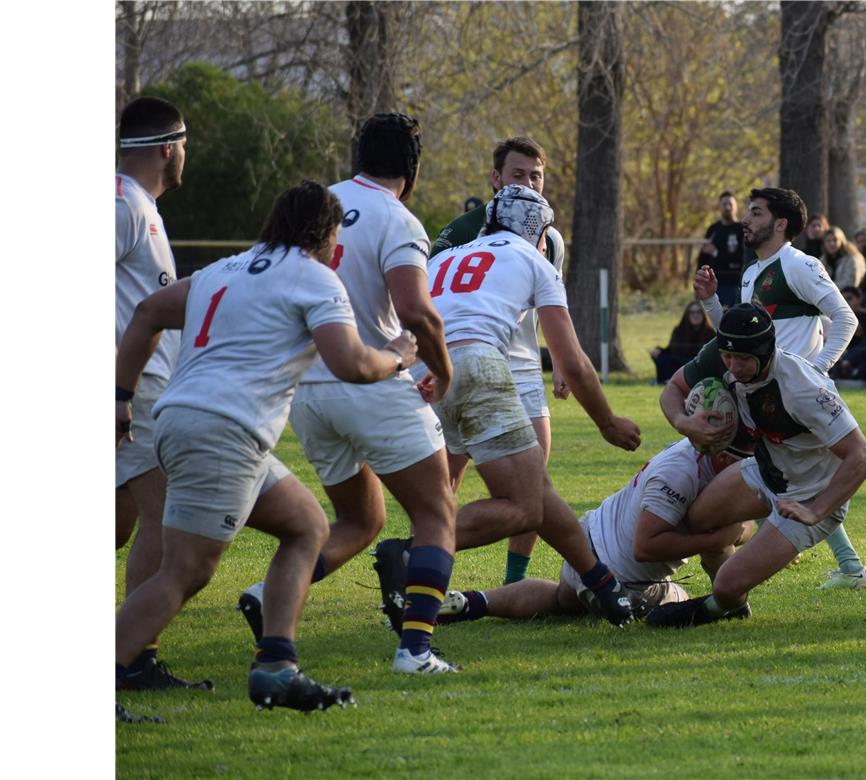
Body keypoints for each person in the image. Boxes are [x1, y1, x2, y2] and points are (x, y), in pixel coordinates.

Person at [116, 181, 403, 713]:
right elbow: (352, 364)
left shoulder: (224, 269)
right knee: (185, 570)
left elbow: (148, 312)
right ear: (328, 234)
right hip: (223, 429)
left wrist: (120, 395)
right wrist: (400, 354)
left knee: (307, 527)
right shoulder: (314, 277)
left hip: (187, 419)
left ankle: (277, 666)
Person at [234, 114, 459, 674]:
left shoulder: (320, 205)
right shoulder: (397, 218)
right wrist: (442, 369)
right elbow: (415, 311)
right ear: (412, 169)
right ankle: (415, 650)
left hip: (307, 392)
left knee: (361, 519)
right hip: (369, 378)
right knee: (436, 511)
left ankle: (268, 595)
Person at [388, 184, 643, 627]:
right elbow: (572, 361)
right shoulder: (532, 258)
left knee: (535, 488)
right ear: (537, 232)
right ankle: (410, 552)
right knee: (525, 507)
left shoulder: (444, 259)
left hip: (424, 375)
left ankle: (603, 585)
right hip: (476, 364)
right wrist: (607, 422)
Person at [647, 304, 866, 626]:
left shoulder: (804, 388)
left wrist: (816, 511)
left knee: (726, 586)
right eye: (728, 357)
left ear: (766, 352)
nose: (733, 366)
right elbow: (673, 389)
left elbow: (863, 457)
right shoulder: (722, 353)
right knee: (698, 521)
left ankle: (717, 604)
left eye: (742, 359)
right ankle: (735, 601)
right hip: (766, 472)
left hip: (809, 495)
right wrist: (683, 422)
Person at [695, 187, 866, 589]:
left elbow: (846, 318)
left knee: (788, 479)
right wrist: (710, 303)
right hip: (759, 397)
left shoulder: (799, 265)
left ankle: (840, 563)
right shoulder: (751, 272)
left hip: (795, 402)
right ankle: (844, 565)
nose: (746, 219)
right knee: (781, 478)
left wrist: (814, 371)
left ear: (780, 224)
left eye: (755, 213)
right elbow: (736, 339)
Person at [436, 430, 756, 625]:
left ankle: (471, 602)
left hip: (585, 546)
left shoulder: (689, 450)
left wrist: (736, 533)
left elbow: (744, 524)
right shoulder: (681, 476)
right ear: (726, 456)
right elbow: (646, 546)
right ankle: (730, 607)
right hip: (622, 582)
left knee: (561, 601)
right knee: (680, 593)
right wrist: (716, 539)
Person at [429, 136, 567, 586]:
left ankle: (514, 583)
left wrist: (559, 363)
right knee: (446, 477)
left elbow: (551, 306)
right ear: (495, 178)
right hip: (466, 360)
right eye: (517, 174)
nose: (528, 183)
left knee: (534, 480)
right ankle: (426, 572)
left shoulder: (551, 238)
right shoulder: (460, 232)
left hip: (523, 368)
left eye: (535, 175)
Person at [114, 96, 195, 690]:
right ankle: (132, 659)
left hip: (139, 390)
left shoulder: (140, 205)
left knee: (118, 528)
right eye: (184, 145)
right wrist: (115, 389)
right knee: (165, 521)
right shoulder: (121, 204)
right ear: (169, 148)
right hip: (131, 391)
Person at [698, 191, 747, 306]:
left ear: (736, 206)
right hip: (714, 284)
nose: (727, 207)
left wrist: (716, 253)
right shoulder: (713, 229)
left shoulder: (742, 229)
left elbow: (740, 257)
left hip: (734, 283)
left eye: (730, 204)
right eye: (724, 204)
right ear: (719, 207)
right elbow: (703, 256)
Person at [650, 301, 716, 384]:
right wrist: (659, 350)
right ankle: (667, 380)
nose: (695, 315)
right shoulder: (679, 330)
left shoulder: (710, 332)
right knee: (662, 358)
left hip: (698, 363)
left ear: (703, 315)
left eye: (699, 312)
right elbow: (671, 349)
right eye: (692, 313)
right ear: (687, 315)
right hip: (679, 362)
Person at [822, 226, 866, 291]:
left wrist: (827, 288)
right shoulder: (823, 260)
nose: (832, 243)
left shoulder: (852, 259)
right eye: (828, 241)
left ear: (841, 241)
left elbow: (850, 283)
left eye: (835, 240)